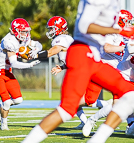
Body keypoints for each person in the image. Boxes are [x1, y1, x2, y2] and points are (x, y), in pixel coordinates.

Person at [22, 0, 134, 142]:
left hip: (94, 58)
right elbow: (84, 26)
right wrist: (120, 30)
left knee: (129, 94)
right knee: (66, 110)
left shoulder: (113, 5)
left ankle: (97, 138)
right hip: (82, 53)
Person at [30, 16, 111, 131]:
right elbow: (74, 58)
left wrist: (36, 55)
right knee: (71, 98)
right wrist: (63, 67)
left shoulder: (61, 39)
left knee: (86, 100)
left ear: (59, 28)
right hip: (82, 70)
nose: (50, 31)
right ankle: (85, 121)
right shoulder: (66, 38)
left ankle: (108, 105)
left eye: (52, 28)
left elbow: (53, 51)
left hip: (86, 71)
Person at [82, 9, 134, 137]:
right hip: (124, 76)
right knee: (118, 107)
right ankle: (92, 119)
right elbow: (124, 49)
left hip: (128, 74)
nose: (130, 25)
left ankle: (131, 125)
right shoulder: (116, 33)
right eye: (128, 22)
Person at [0, 18, 42, 130]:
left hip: (7, 72)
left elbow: (38, 44)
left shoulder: (23, 38)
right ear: (15, 30)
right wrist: (29, 65)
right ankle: (4, 125)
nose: (25, 34)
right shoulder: (9, 41)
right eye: (22, 31)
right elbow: (13, 63)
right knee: (7, 101)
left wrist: (36, 49)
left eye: (26, 31)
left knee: (18, 100)